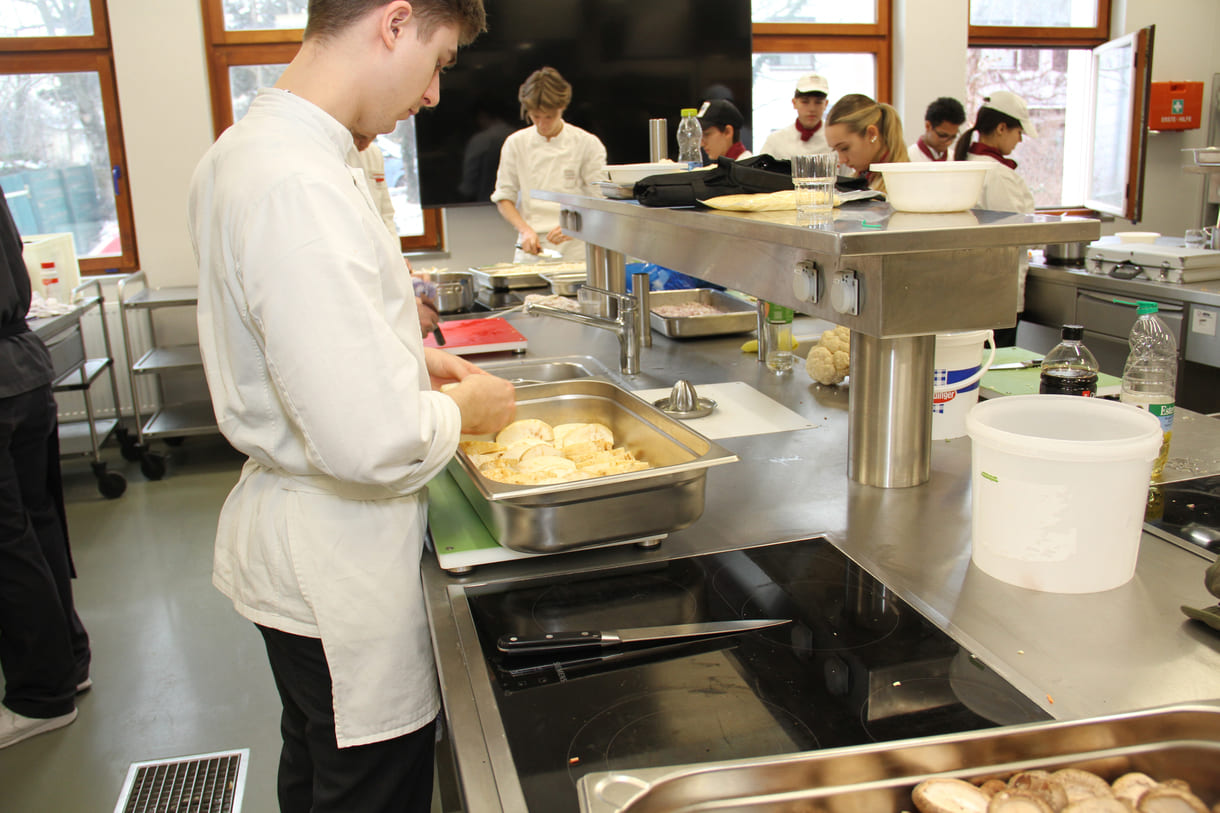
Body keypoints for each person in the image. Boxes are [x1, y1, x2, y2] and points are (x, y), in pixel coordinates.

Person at [186, 2, 517, 811]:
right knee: (363, 789)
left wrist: (409, 357)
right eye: (438, 62)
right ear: (394, 23)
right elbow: (365, 437)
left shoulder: (258, 147)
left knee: (311, 767)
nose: (436, 94)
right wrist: (467, 408)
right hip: (336, 562)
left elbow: (309, 331)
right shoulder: (293, 179)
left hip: (305, 555)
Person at [0, 193, 91, 751]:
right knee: (39, 524)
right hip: (23, 366)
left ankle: (41, 695)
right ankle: (69, 660)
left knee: (8, 544)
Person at [491, 67, 607, 263]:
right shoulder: (515, 143)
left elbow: (601, 202)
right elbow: (504, 198)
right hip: (531, 249)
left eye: (549, 117)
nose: (542, 124)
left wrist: (578, 225)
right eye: (536, 116)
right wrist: (525, 230)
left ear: (562, 108)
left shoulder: (587, 143)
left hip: (575, 250)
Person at [955, 91, 1039, 346]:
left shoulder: (964, 162)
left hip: (967, 290)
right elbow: (1019, 232)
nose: (1020, 140)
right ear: (1002, 128)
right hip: (997, 292)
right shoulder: (998, 175)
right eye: (1018, 133)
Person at [349, 135, 440, 337]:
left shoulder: (372, 153)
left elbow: (385, 217)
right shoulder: (324, 158)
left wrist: (399, 267)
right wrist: (403, 297)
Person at [824, 94, 909, 193]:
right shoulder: (861, 180)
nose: (842, 160)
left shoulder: (904, 187)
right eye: (835, 150)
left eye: (844, 148)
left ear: (871, 134)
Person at [759, 74, 832, 159]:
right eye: (805, 102)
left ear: (826, 104)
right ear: (794, 103)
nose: (812, 109)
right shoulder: (775, 141)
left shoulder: (835, 140)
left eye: (818, 102)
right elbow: (759, 171)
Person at [909, 96, 966, 163]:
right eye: (943, 135)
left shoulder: (955, 160)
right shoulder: (908, 158)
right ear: (928, 126)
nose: (948, 142)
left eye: (953, 137)